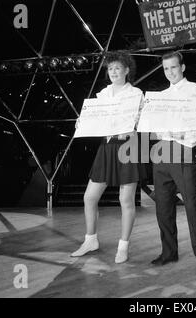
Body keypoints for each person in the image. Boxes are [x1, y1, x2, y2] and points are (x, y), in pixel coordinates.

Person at [71, 51, 143, 264]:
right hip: (107, 147)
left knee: (125, 200)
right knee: (89, 197)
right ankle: (90, 240)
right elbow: (96, 120)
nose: (113, 72)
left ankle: (123, 247)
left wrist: (134, 127)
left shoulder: (136, 93)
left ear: (126, 70)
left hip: (128, 147)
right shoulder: (102, 95)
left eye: (117, 68)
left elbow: (142, 122)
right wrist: (82, 122)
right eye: (110, 69)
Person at [150, 51, 196, 275]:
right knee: (163, 207)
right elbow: (157, 127)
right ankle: (169, 252)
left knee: (191, 205)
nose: (170, 72)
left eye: (173, 68)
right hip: (161, 153)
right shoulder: (162, 95)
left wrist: (183, 137)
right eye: (166, 69)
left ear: (182, 67)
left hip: (184, 151)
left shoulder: (195, 90)